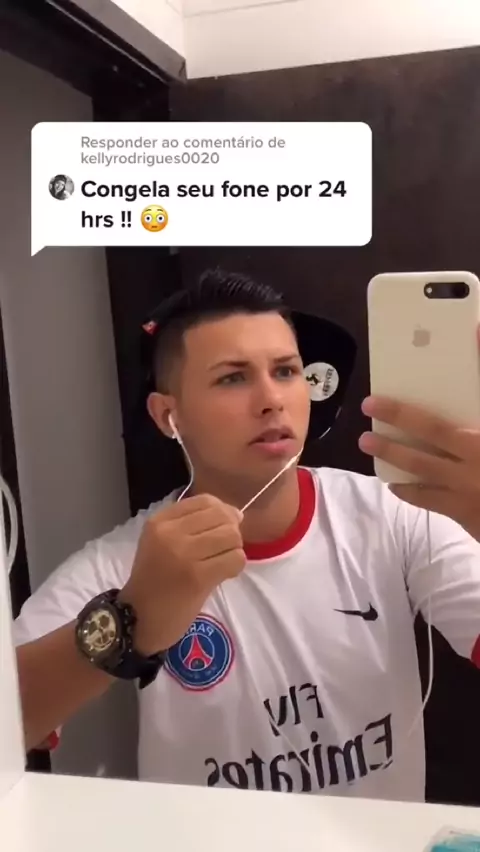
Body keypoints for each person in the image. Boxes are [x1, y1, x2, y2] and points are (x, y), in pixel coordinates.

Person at [13, 268, 480, 802]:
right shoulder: (124, 563)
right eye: (232, 378)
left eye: (286, 371)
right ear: (168, 416)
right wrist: (128, 620)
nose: (272, 399)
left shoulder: (393, 515)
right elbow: (11, 724)